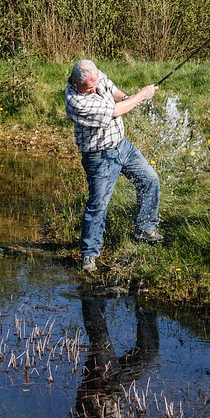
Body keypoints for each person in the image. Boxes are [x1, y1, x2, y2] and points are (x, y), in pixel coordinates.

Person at [65, 59, 163, 273]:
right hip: (98, 157)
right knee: (98, 204)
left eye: (94, 84)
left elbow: (114, 92)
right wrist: (140, 96)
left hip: (122, 146)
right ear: (75, 82)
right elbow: (115, 111)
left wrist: (129, 98)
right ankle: (89, 255)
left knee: (150, 181)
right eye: (89, 88)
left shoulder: (94, 74)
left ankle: (145, 228)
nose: (93, 88)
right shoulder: (76, 102)